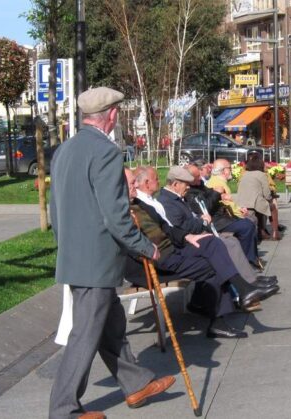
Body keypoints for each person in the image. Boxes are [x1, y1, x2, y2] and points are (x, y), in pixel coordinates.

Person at [48, 87, 175, 419]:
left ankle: (135, 384)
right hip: (97, 260)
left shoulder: (64, 150)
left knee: (111, 326)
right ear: (113, 115)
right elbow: (115, 216)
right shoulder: (106, 152)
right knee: (85, 335)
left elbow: (55, 209)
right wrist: (145, 246)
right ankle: (63, 410)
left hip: (78, 256)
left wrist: (67, 246)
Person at [133, 166, 278, 336]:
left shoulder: (149, 202)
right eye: (130, 183)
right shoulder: (137, 207)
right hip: (161, 258)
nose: (159, 181)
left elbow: (169, 229)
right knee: (215, 262)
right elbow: (156, 236)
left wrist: (187, 236)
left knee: (213, 244)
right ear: (146, 183)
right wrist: (191, 232)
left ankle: (242, 290)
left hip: (174, 246)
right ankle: (222, 305)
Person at [236, 153, 278, 240]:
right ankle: (275, 232)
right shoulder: (261, 175)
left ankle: (261, 232)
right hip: (254, 203)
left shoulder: (244, 174)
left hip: (241, 203)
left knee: (262, 206)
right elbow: (267, 195)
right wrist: (270, 198)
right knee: (272, 207)